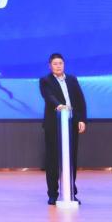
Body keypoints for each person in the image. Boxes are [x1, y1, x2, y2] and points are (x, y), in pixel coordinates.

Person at [38, 53, 87, 205]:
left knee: (71, 159)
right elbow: (48, 96)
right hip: (54, 125)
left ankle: (71, 192)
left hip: (71, 124)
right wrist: (59, 106)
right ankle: (53, 194)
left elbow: (80, 100)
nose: (58, 66)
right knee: (53, 160)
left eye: (60, 63)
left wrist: (81, 119)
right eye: (55, 64)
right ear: (50, 66)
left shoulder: (72, 79)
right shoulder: (45, 80)